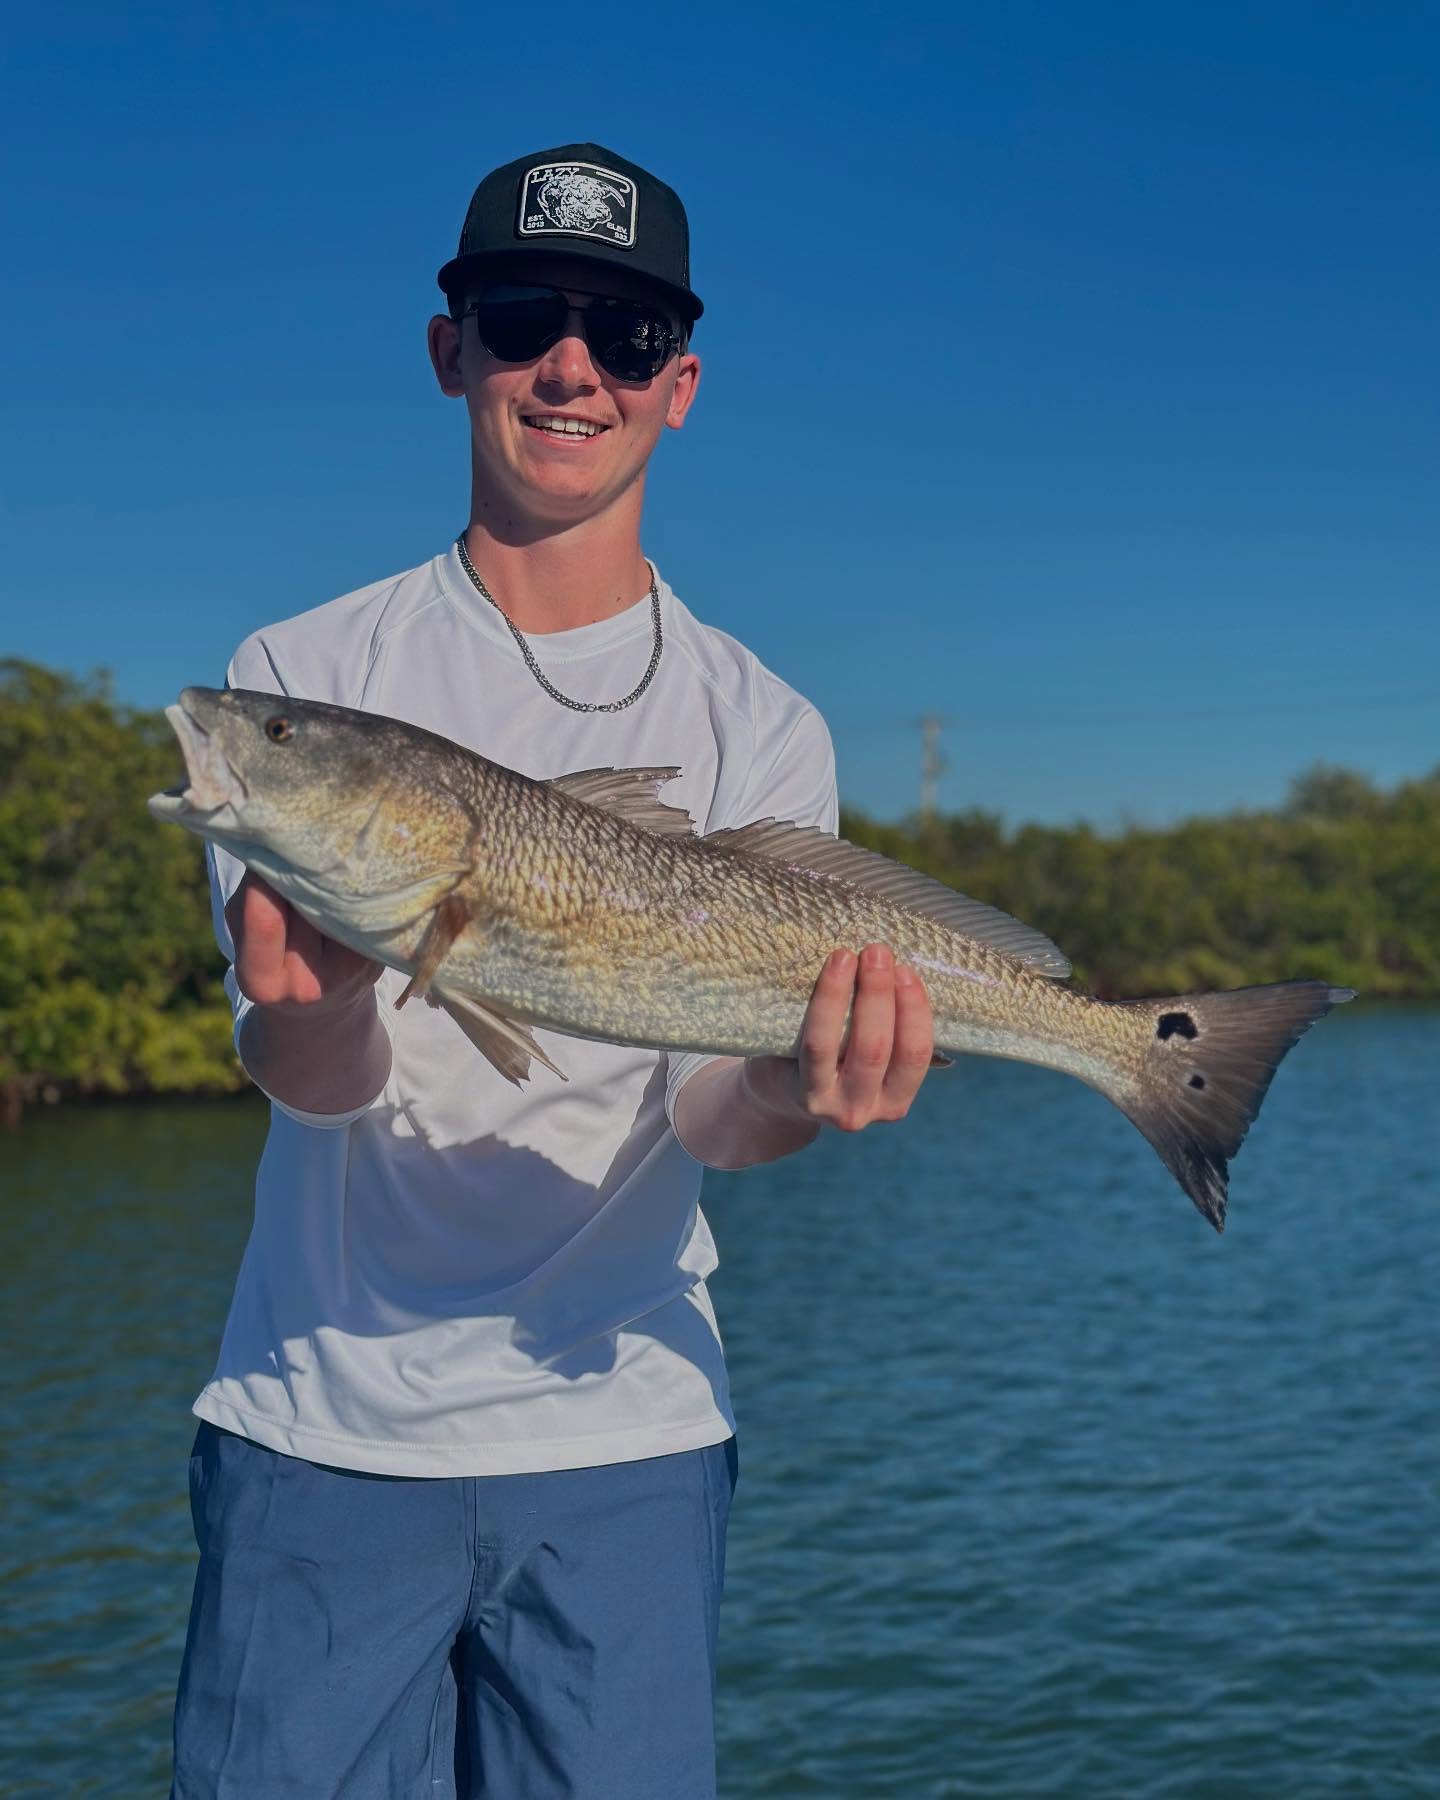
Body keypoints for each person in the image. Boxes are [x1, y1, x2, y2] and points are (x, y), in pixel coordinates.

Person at [170, 143, 935, 1800]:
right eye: (525, 316)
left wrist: (800, 1080)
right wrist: (317, 1003)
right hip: (321, 1424)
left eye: (628, 334)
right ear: (452, 351)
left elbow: (715, 1120)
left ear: (681, 386)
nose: (573, 365)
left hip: (628, 1435)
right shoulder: (299, 678)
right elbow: (316, 1084)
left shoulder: (762, 721)